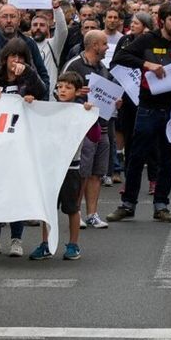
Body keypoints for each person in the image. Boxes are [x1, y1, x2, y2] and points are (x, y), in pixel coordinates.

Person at [107, 3, 171, 224]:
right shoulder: (147, 40)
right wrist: (147, 64)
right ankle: (127, 204)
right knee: (136, 156)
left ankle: (161, 205)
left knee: (168, 158)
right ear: (161, 21)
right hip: (148, 107)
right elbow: (120, 59)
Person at [0, 37, 48, 257]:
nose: (15, 61)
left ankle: (16, 240)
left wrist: (28, 76)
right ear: (5, 58)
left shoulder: (29, 74)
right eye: (12, 57)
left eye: (20, 57)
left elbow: (42, 92)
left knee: (16, 191)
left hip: (20, 143)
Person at [30, 71, 92, 261]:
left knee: (72, 208)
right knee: (47, 207)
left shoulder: (81, 110)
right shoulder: (49, 108)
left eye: (68, 87)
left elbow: (95, 136)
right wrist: (30, 103)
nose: (63, 90)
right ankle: (46, 244)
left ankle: (73, 245)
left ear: (78, 91)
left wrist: (90, 112)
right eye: (60, 86)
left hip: (70, 167)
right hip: (50, 166)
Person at [61, 30, 113, 229]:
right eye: (105, 44)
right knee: (82, 172)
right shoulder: (74, 64)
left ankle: (92, 213)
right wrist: (77, 93)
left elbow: (107, 92)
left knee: (97, 172)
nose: (107, 47)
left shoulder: (102, 67)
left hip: (102, 125)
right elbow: (61, 90)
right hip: (82, 128)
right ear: (94, 46)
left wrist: (114, 102)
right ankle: (77, 212)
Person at [0, 4, 51, 91]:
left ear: (19, 20)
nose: (9, 21)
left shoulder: (30, 44)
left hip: (24, 102)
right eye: (4, 17)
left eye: (12, 16)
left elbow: (43, 76)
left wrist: (41, 102)